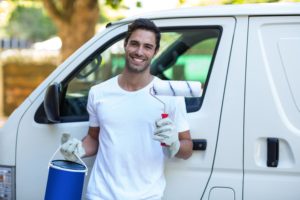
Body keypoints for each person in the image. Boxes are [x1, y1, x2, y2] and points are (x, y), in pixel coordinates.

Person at [60, 18, 193, 200]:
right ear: (125, 45)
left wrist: (175, 145)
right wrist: (78, 150)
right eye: (134, 44)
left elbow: (187, 149)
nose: (139, 52)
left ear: (155, 51)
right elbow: (94, 138)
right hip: (101, 194)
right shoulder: (99, 93)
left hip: (147, 196)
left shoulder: (169, 95)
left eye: (147, 46)